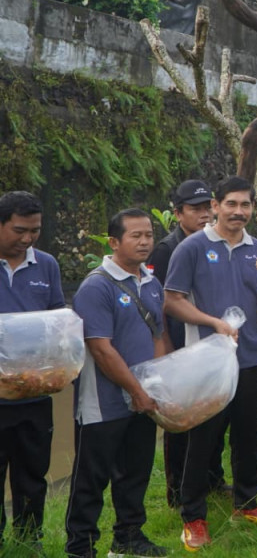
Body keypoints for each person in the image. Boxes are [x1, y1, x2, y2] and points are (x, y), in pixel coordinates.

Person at [164, 176, 257, 549]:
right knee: (203, 438)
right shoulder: (193, 248)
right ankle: (193, 516)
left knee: (249, 435)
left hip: (251, 358)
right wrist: (212, 323)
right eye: (231, 204)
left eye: (245, 205)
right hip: (209, 361)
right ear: (215, 206)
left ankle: (247, 503)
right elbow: (172, 300)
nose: (238, 212)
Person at [65, 209, 167, 558]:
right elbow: (101, 349)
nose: (144, 242)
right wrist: (136, 391)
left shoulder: (151, 283)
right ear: (114, 242)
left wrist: (156, 385)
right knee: (91, 479)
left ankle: (129, 538)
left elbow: (158, 336)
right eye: (136, 236)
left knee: (136, 472)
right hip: (103, 402)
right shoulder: (97, 286)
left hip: (143, 398)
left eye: (149, 235)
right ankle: (81, 547)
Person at [146, 180, 225, 509]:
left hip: (212, 343)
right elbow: (157, 302)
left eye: (208, 206)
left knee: (214, 413)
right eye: (195, 209)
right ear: (177, 213)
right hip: (180, 344)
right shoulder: (167, 248)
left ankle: (213, 478)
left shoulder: (217, 242)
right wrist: (166, 352)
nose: (205, 214)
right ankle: (177, 490)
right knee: (181, 421)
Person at [0, 192, 64, 552]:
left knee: (32, 473)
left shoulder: (47, 266)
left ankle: (29, 540)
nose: (27, 239)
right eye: (19, 230)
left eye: (35, 231)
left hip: (34, 391)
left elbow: (57, 321)